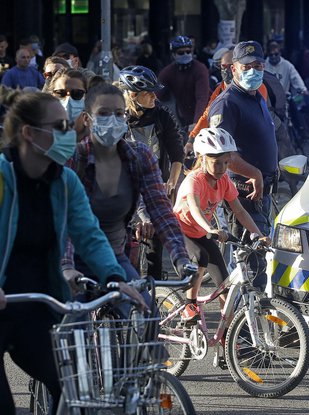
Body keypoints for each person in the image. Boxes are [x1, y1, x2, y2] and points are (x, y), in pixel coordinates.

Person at [0, 91, 144, 414]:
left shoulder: (65, 182)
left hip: (36, 306)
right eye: (60, 126)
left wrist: (114, 276)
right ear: (28, 133)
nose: (70, 132)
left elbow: (89, 234)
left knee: (73, 390)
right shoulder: (1, 176)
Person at [64, 82, 191, 288]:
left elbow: (160, 208)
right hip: (75, 262)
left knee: (144, 311)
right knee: (77, 315)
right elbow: (63, 220)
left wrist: (181, 258)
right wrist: (66, 266)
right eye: (103, 113)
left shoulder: (139, 155)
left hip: (116, 258)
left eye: (119, 113)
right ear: (87, 119)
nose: (112, 120)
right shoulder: (73, 159)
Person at [173, 127, 269, 321]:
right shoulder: (194, 181)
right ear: (202, 159)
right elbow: (194, 209)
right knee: (200, 257)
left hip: (203, 232)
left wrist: (258, 234)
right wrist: (210, 229)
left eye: (226, 162)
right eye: (217, 163)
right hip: (180, 230)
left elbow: (240, 211)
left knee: (224, 284)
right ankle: (188, 305)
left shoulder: (224, 180)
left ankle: (227, 336)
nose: (222, 168)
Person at [118, 65, 185, 279]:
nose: (154, 96)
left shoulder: (161, 114)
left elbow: (177, 154)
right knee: (127, 256)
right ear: (133, 95)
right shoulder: (117, 120)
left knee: (154, 257)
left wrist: (171, 183)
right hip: (124, 192)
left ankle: (152, 300)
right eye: (149, 93)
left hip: (155, 189)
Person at [207, 41, 279, 237]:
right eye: (246, 67)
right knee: (252, 258)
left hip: (262, 191)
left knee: (261, 250)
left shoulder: (256, 96)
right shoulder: (227, 103)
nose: (253, 72)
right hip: (243, 192)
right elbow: (221, 154)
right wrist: (254, 173)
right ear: (234, 68)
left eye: (257, 66)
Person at [186, 46, 268, 154]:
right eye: (223, 67)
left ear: (237, 67)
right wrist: (191, 140)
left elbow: (256, 120)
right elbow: (207, 115)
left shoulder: (254, 87)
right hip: (226, 145)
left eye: (230, 66)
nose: (227, 70)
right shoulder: (220, 90)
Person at [156, 35, 210, 134]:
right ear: (173, 55)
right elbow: (156, 95)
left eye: (188, 51)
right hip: (183, 115)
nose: (185, 54)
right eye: (181, 52)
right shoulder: (168, 71)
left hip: (205, 114)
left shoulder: (200, 69)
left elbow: (202, 98)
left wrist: (197, 123)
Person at [45, 69, 87, 142]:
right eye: (60, 93)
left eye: (77, 94)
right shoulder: (43, 139)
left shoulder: (96, 142)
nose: (68, 100)